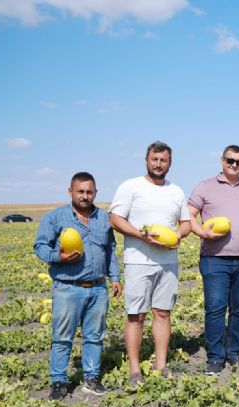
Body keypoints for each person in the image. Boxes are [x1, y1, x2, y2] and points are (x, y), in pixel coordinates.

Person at [109, 141, 191, 385]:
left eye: (163, 160)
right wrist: (141, 235)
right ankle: (135, 369)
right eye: (154, 159)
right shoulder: (131, 186)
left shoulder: (176, 191)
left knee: (163, 313)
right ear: (147, 160)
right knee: (136, 315)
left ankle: (161, 364)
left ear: (170, 163)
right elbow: (115, 219)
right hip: (139, 262)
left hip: (168, 262)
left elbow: (185, 223)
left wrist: (178, 235)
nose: (158, 164)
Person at [34, 172, 121, 401]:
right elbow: (40, 246)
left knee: (95, 336)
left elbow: (110, 250)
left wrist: (115, 277)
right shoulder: (56, 217)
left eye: (89, 192)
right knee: (62, 337)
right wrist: (59, 257)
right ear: (70, 191)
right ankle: (59, 381)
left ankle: (92, 377)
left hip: (98, 287)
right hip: (67, 287)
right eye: (80, 191)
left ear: (95, 193)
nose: (85, 196)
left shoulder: (103, 218)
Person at [188, 145, 239, 374]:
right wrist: (202, 233)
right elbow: (189, 215)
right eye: (230, 160)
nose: (234, 165)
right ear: (222, 160)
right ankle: (215, 357)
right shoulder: (205, 187)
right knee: (215, 308)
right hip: (215, 260)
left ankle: (234, 354)